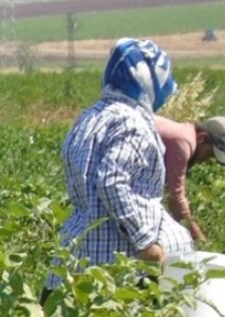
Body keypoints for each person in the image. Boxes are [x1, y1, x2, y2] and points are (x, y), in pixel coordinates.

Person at [45, 38, 193, 298]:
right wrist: (145, 242)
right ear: (149, 83)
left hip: (77, 250)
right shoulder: (132, 122)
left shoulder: (89, 117)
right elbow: (111, 181)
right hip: (118, 263)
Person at [154, 115, 225, 243]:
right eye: (209, 154)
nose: (206, 160)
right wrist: (196, 234)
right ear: (202, 138)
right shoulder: (183, 144)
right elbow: (176, 195)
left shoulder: (187, 134)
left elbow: (171, 194)